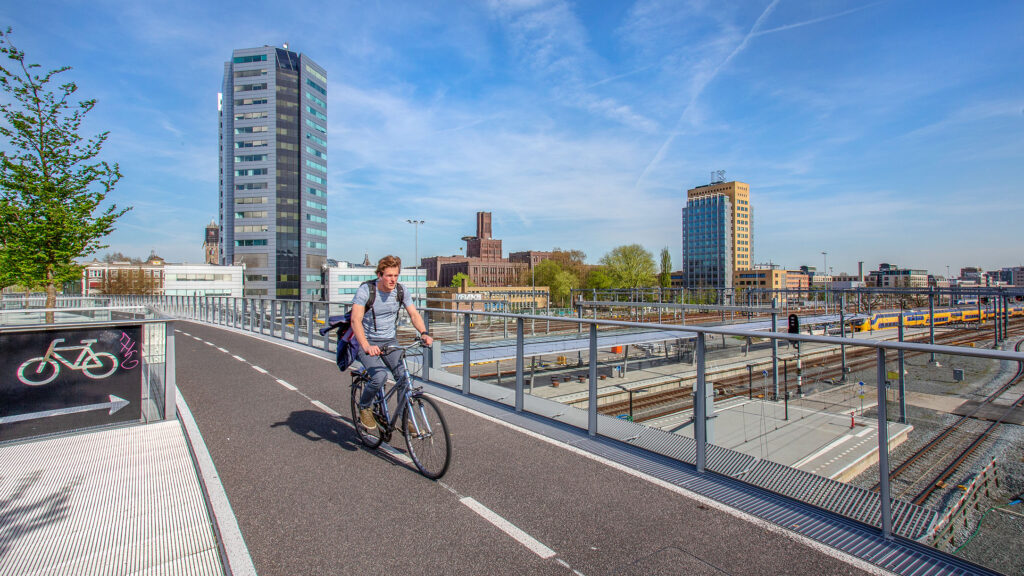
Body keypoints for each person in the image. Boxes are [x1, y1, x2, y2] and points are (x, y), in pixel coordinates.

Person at [351, 255, 433, 430]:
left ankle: (404, 418)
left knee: (404, 377)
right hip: (367, 341)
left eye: (396, 275)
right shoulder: (366, 290)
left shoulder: (401, 291)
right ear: (380, 274)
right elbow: (355, 320)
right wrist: (366, 346)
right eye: (389, 276)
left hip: (390, 341)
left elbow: (414, 314)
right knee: (379, 376)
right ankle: (365, 407)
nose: (393, 280)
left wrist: (424, 332)